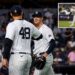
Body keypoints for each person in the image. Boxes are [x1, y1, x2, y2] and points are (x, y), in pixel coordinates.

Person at [2, 5, 43, 75]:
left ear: (11, 14)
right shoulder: (29, 25)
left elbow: (8, 42)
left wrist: (5, 58)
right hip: (28, 58)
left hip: (16, 57)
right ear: (22, 13)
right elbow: (39, 36)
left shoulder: (11, 25)